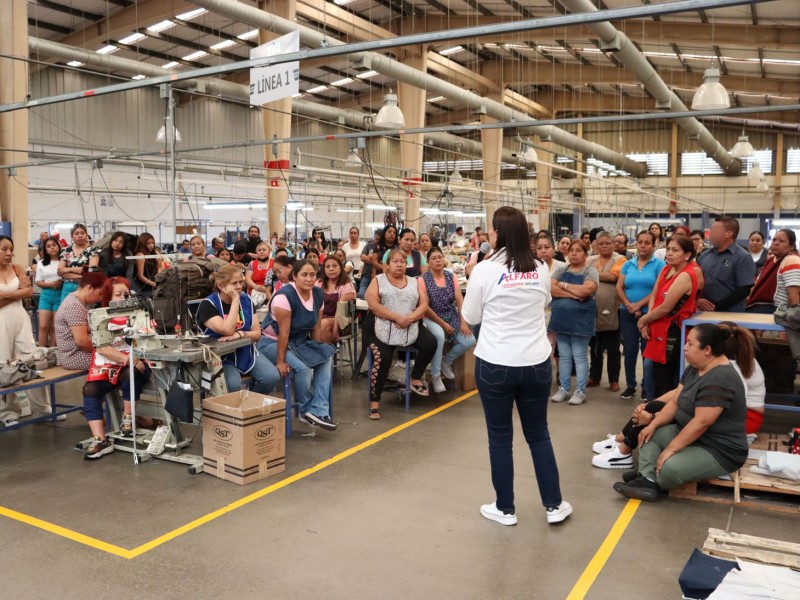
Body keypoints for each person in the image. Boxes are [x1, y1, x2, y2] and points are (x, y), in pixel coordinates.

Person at [462, 206, 572, 526]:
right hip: (536, 363)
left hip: (496, 362)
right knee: (538, 434)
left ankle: (505, 508)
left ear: (498, 233)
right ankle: (553, 504)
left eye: (491, 230)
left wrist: (480, 281)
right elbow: (545, 303)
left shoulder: (485, 269)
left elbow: (471, 316)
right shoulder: (540, 267)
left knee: (499, 437)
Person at [613, 324, 748, 502]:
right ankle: (648, 478)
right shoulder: (695, 366)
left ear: (707, 349)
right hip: (692, 434)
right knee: (647, 435)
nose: (685, 347)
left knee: (670, 467)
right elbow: (676, 401)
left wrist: (670, 449)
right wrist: (651, 425)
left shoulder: (720, 377)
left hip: (718, 449)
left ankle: (651, 478)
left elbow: (702, 423)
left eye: (690, 344)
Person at [258, 260, 337, 431]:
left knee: (326, 359)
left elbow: (316, 326)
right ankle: (305, 410)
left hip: (299, 342)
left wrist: (318, 349)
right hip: (272, 342)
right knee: (303, 368)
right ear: (294, 276)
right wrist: (280, 362)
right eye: (304, 275)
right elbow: (283, 334)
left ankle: (319, 410)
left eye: (312, 275)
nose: (309, 279)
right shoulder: (284, 298)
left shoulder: (317, 294)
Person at [81, 278, 153, 459]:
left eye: (126, 294)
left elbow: (150, 339)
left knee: (131, 374)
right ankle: (100, 440)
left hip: (136, 365)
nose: (123, 298)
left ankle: (128, 418)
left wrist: (134, 357)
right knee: (89, 389)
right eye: (118, 294)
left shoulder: (138, 313)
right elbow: (102, 347)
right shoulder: (99, 317)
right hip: (113, 362)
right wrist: (127, 359)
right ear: (108, 297)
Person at [365, 249, 438, 419]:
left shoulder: (414, 281)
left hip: (409, 324)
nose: (399, 264)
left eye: (403, 262)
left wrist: (411, 317)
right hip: (379, 326)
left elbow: (423, 303)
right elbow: (373, 304)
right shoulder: (378, 280)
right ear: (387, 265)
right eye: (395, 261)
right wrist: (396, 317)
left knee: (430, 342)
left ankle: (415, 377)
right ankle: (374, 402)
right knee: (382, 357)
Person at [196, 265, 280, 396]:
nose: (240, 286)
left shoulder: (246, 300)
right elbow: (227, 330)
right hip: (220, 357)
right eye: (234, 283)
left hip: (245, 351)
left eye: (241, 282)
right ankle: (231, 411)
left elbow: (257, 334)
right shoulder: (208, 305)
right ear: (220, 285)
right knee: (232, 385)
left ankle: (248, 407)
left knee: (271, 377)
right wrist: (235, 300)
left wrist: (241, 334)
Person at [639, 235, 700, 399]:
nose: (669, 253)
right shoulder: (666, 269)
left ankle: (661, 411)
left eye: (675, 250)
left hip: (671, 331)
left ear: (687, 255)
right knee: (650, 368)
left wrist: (643, 319)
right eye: (668, 249)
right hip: (656, 326)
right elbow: (654, 296)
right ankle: (651, 404)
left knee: (665, 376)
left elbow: (666, 307)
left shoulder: (687, 274)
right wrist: (649, 321)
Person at [0, 236, 52, 426]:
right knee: (4, 365)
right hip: (1, 323)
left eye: (10, 249)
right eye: (3, 249)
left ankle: (43, 408)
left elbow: (29, 292)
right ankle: (7, 413)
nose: (8, 253)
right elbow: (22, 292)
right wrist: (16, 294)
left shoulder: (18, 268)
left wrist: (6, 295)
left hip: (20, 319)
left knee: (32, 359)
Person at [615, 231, 665, 400]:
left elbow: (657, 291)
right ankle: (630, 385)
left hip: (648, 314)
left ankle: (646, 386)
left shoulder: (659, 265)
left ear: (654, 245)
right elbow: (619, 288)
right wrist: (629, 305)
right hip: (627, 313)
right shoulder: (628, 264)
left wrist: (639, 305)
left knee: (646, 351)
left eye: (647, 243)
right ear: (635, 244)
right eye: (640, 242)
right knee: (629, 350)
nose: (643, 245)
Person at [549, 240, 599, 405]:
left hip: (581, 321)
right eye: (571, 250)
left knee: (579, 355)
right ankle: (564, 389)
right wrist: (574, 295)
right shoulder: (560, 270)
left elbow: (587, 290)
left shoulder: (590, 271)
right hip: (561, 319)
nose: (574, 253)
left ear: (585, 254)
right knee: (564, 356)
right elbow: (550, 289)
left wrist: (563, 286)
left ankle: (580, 391)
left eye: (578, 251)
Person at [422, 246, 475, 393]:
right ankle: (435, 375)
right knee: (438, 335)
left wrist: (463, 322)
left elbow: (459, 300)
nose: (438, 260)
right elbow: (425, 307)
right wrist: (443, 325)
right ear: (428, 262)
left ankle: (447, 361)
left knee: (469, 340)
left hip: (450, 316)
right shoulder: (423, 279)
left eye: (440, 257)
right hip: (431, 318)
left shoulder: (450, 277)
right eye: (434, 258)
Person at [586, 232, 626, 392]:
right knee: (594, 346)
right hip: (591, 310)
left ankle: (614, 380)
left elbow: (612, 277)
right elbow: (583, 275)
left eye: (607, 243)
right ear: (595, 245)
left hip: (612, 310)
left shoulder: (620, 259)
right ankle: (594, 377)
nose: (604, 246)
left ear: (613, 244)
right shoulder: (590, 260)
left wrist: (592, 275)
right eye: (601, 243)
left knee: (613, 347)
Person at [696, 216, 755, 313]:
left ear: (728, 233)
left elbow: (744, 290)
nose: (711, 233)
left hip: (730, 315)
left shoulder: (742, 257)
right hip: (701, 313)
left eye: (715, 230)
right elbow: (695, 282)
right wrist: (697, 301)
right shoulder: (705, 255)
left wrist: (716, 306)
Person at [55, 268, 108, 371]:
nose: (100, 298)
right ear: (90, 288)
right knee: (116, 360)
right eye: (100, 294)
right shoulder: (74, 306)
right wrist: (105, 351)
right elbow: (82, 341)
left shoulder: (78, 302)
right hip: (74, 357)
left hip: (78, 353)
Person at [747, 228, 797, 314]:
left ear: (791, 246)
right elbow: (757, 284)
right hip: (760, 307)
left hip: (777, 310)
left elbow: (794, 295)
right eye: (774, 239)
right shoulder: (772, 260)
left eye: (781, 241)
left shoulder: (791, 260)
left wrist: (793, 320)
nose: (776, 243)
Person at [315, 255, 356, 344]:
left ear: (341, 268)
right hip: (320, 318)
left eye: (334, 266)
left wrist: (335, 329)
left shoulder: (346, 285)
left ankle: (325, 356)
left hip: (341, 322)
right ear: (324, 269)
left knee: (323, 324)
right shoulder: (318, 284)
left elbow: (341, 310)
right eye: (328, 266)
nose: (331, 269)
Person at [57, 223, 101, 304]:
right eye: (76, 233)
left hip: (85, 287)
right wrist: (82, 275)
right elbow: (60, 271)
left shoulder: (93, 250)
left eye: (82, 233)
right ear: (72, 236)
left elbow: (92, 270)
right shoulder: (66, 250)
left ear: (87, 235)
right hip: (67, 287)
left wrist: (68, 269)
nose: (80, 236)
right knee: (65, 314)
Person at [35, 236, 64, 348]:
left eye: (54, 245)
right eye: (48, 246)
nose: (52, 248)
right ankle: (41, 352)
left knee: (55, 327)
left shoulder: (64, 261)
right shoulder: (41, 263)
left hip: (60, 295)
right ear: (45, 250)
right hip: (46, 296)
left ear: (59, 246)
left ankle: (53, 352)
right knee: (43, 326)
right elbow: (38, 281)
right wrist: (52, 284)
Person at [132, 232, 163, 300]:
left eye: (152, 243)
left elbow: (160, 269)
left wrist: (159, 263)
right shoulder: (140, 255)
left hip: (154, 283)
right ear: (143, 244)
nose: (151, 245)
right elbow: (140, 276)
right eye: (148, 243)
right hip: (144, 286)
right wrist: (153, 284)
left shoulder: (155, 254)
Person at [245, 241, 271, 308]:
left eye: (264, 250)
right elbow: (247, 278)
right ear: (256, 252)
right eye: (259, 250)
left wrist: (267, 289)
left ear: (269, 252)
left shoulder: (274, 263)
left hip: (270, 291)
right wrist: (255, 286)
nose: (261, 251)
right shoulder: (252, 263)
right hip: (254, 291)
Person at [358, 230, 381, 299]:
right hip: (366, 275)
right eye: (376, 238)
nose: (377, 240)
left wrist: (370, 257)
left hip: (379, 277)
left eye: (379, 239)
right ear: (374, 237)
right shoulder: (368, 246)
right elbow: (362, 257)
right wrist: (377, 261)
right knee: (361, 295)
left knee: (376, 296)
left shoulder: (383, 249)